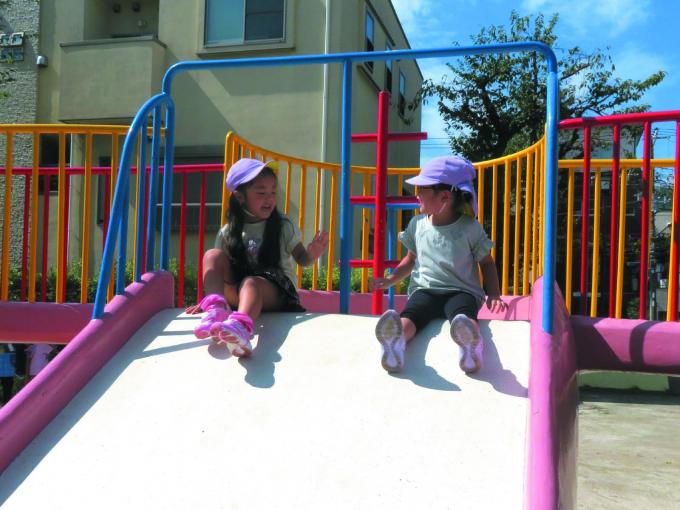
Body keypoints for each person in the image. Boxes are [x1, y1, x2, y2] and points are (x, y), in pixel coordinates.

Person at [371, 155, 507, 375]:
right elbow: (410, 260)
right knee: (411, 314)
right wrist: (390, 280)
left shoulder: (469, 228)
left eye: (422, 189)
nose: (416, 194)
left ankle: (471, 346)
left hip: (461, 291)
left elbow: (487, 263)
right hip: (425, 290)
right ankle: (395, 342)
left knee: (463, 316)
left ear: (444, 196)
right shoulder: (417, 225)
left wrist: (494, 294)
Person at [187, 158, 329, 357]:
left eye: (273, 192)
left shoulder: (283, 225)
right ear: (240, 197)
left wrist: (312, 254)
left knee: (251, 283)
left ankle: (241, 329)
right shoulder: (228, 232)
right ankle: (216, 309)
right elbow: (218, 271)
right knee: (212, 255)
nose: (269, 198)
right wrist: (209, 298)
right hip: (240, 290)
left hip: (278, 293)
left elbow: (302, 259)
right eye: (261, 193)